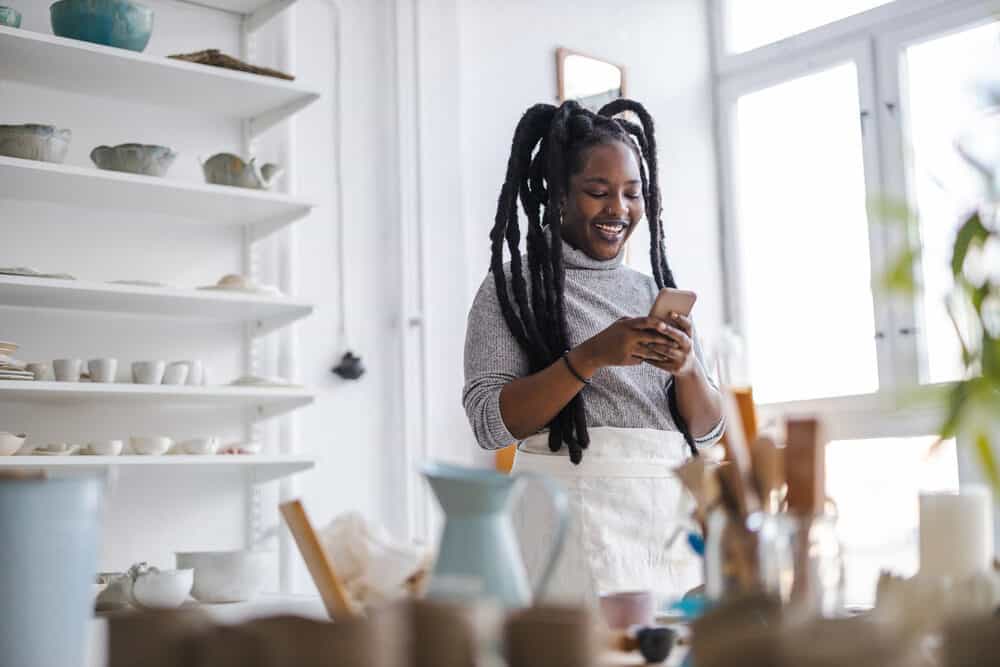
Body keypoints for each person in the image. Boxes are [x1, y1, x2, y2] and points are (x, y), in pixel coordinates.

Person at [462, 99, 724, 603]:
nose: (619, 210)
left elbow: (709, 431)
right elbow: (489, 424)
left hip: (667, 526)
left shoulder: (652, 288)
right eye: (597, 193)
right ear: (559, 194)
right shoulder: (513, 289)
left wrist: (688, 368)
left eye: (632, 194)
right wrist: (590, 357)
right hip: (572, 521)